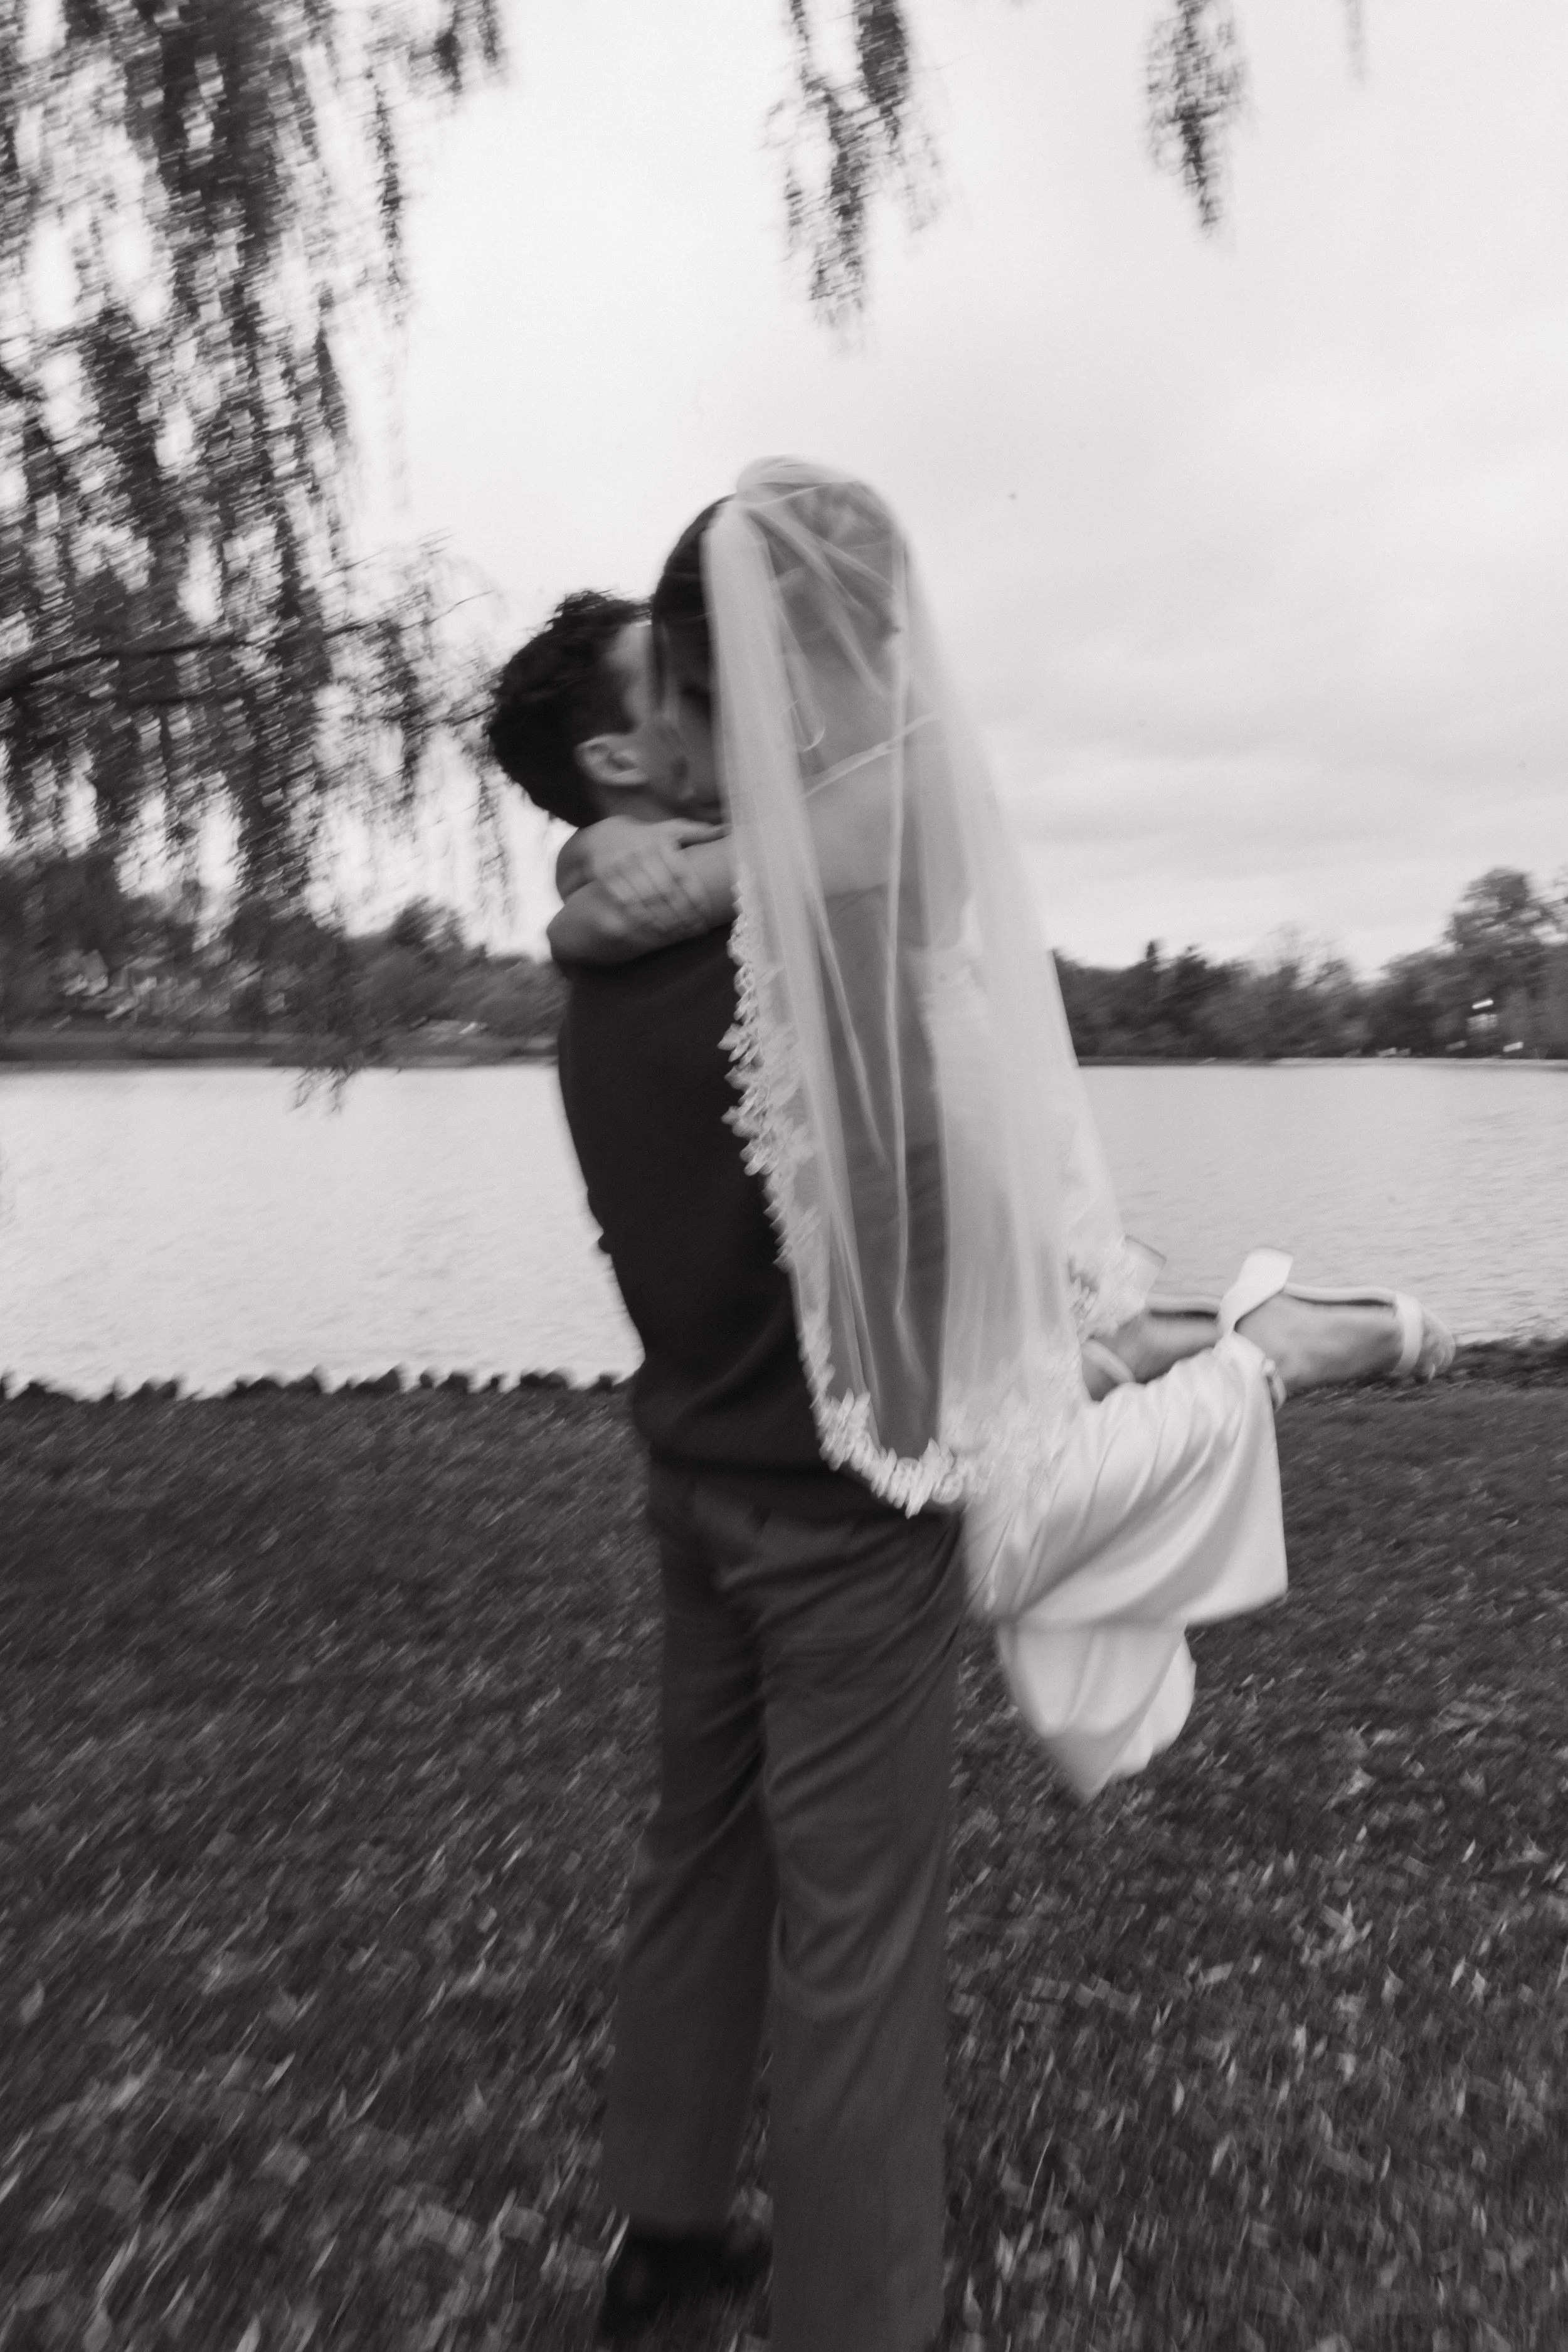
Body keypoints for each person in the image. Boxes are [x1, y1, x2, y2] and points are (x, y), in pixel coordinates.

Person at [489, 475, 1453, 2352]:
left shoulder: (600, 953)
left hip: (693, 1479)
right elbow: (928, 1228)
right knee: (861, 1936)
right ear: (647, 739)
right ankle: (862, 2318)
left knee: (701, 1851)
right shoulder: (813, 959)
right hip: (843, 1519)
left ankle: (666, 2234)